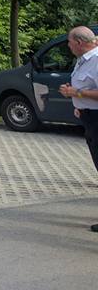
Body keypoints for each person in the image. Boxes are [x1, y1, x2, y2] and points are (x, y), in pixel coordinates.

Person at [58, 26, 98, 233]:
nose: (68, 45)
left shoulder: (97, 59)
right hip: (89, 116)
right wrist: (79, 105)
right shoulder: (84, 60)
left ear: (80, 43)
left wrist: (77, 93)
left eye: (70, 42)